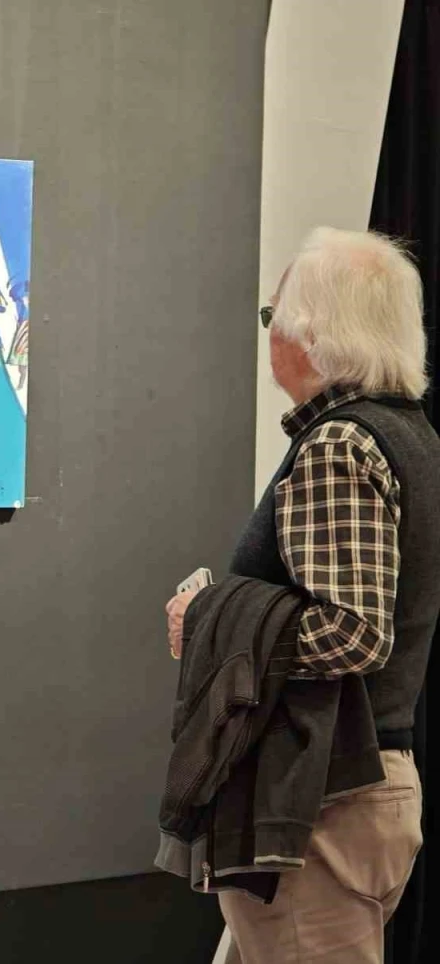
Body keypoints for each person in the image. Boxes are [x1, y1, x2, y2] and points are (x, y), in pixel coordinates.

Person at [166, 228, 439, 963]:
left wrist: (209, 617)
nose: (271, 335)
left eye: (272, 316)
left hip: (324, 799)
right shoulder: (409, 436)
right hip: (352, 786)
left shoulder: (340, 445)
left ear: (311, 333)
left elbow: (355, 632)